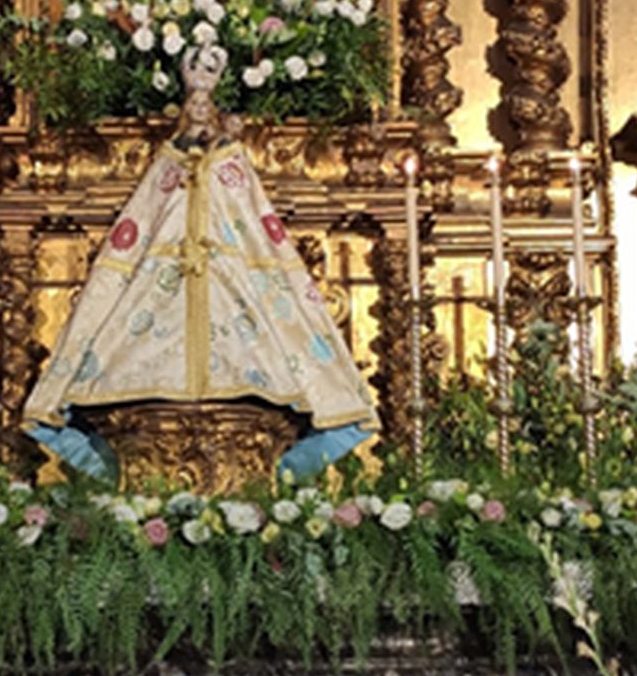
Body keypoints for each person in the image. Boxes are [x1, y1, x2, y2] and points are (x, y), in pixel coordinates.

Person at [24, 50, 379, 479]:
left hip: (237, 307)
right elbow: (134, 240)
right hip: (161, 299)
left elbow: (258, 233)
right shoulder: (167, 170)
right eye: (191, 108)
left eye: (204, 109)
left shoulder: (232, 169)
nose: (199, 117)